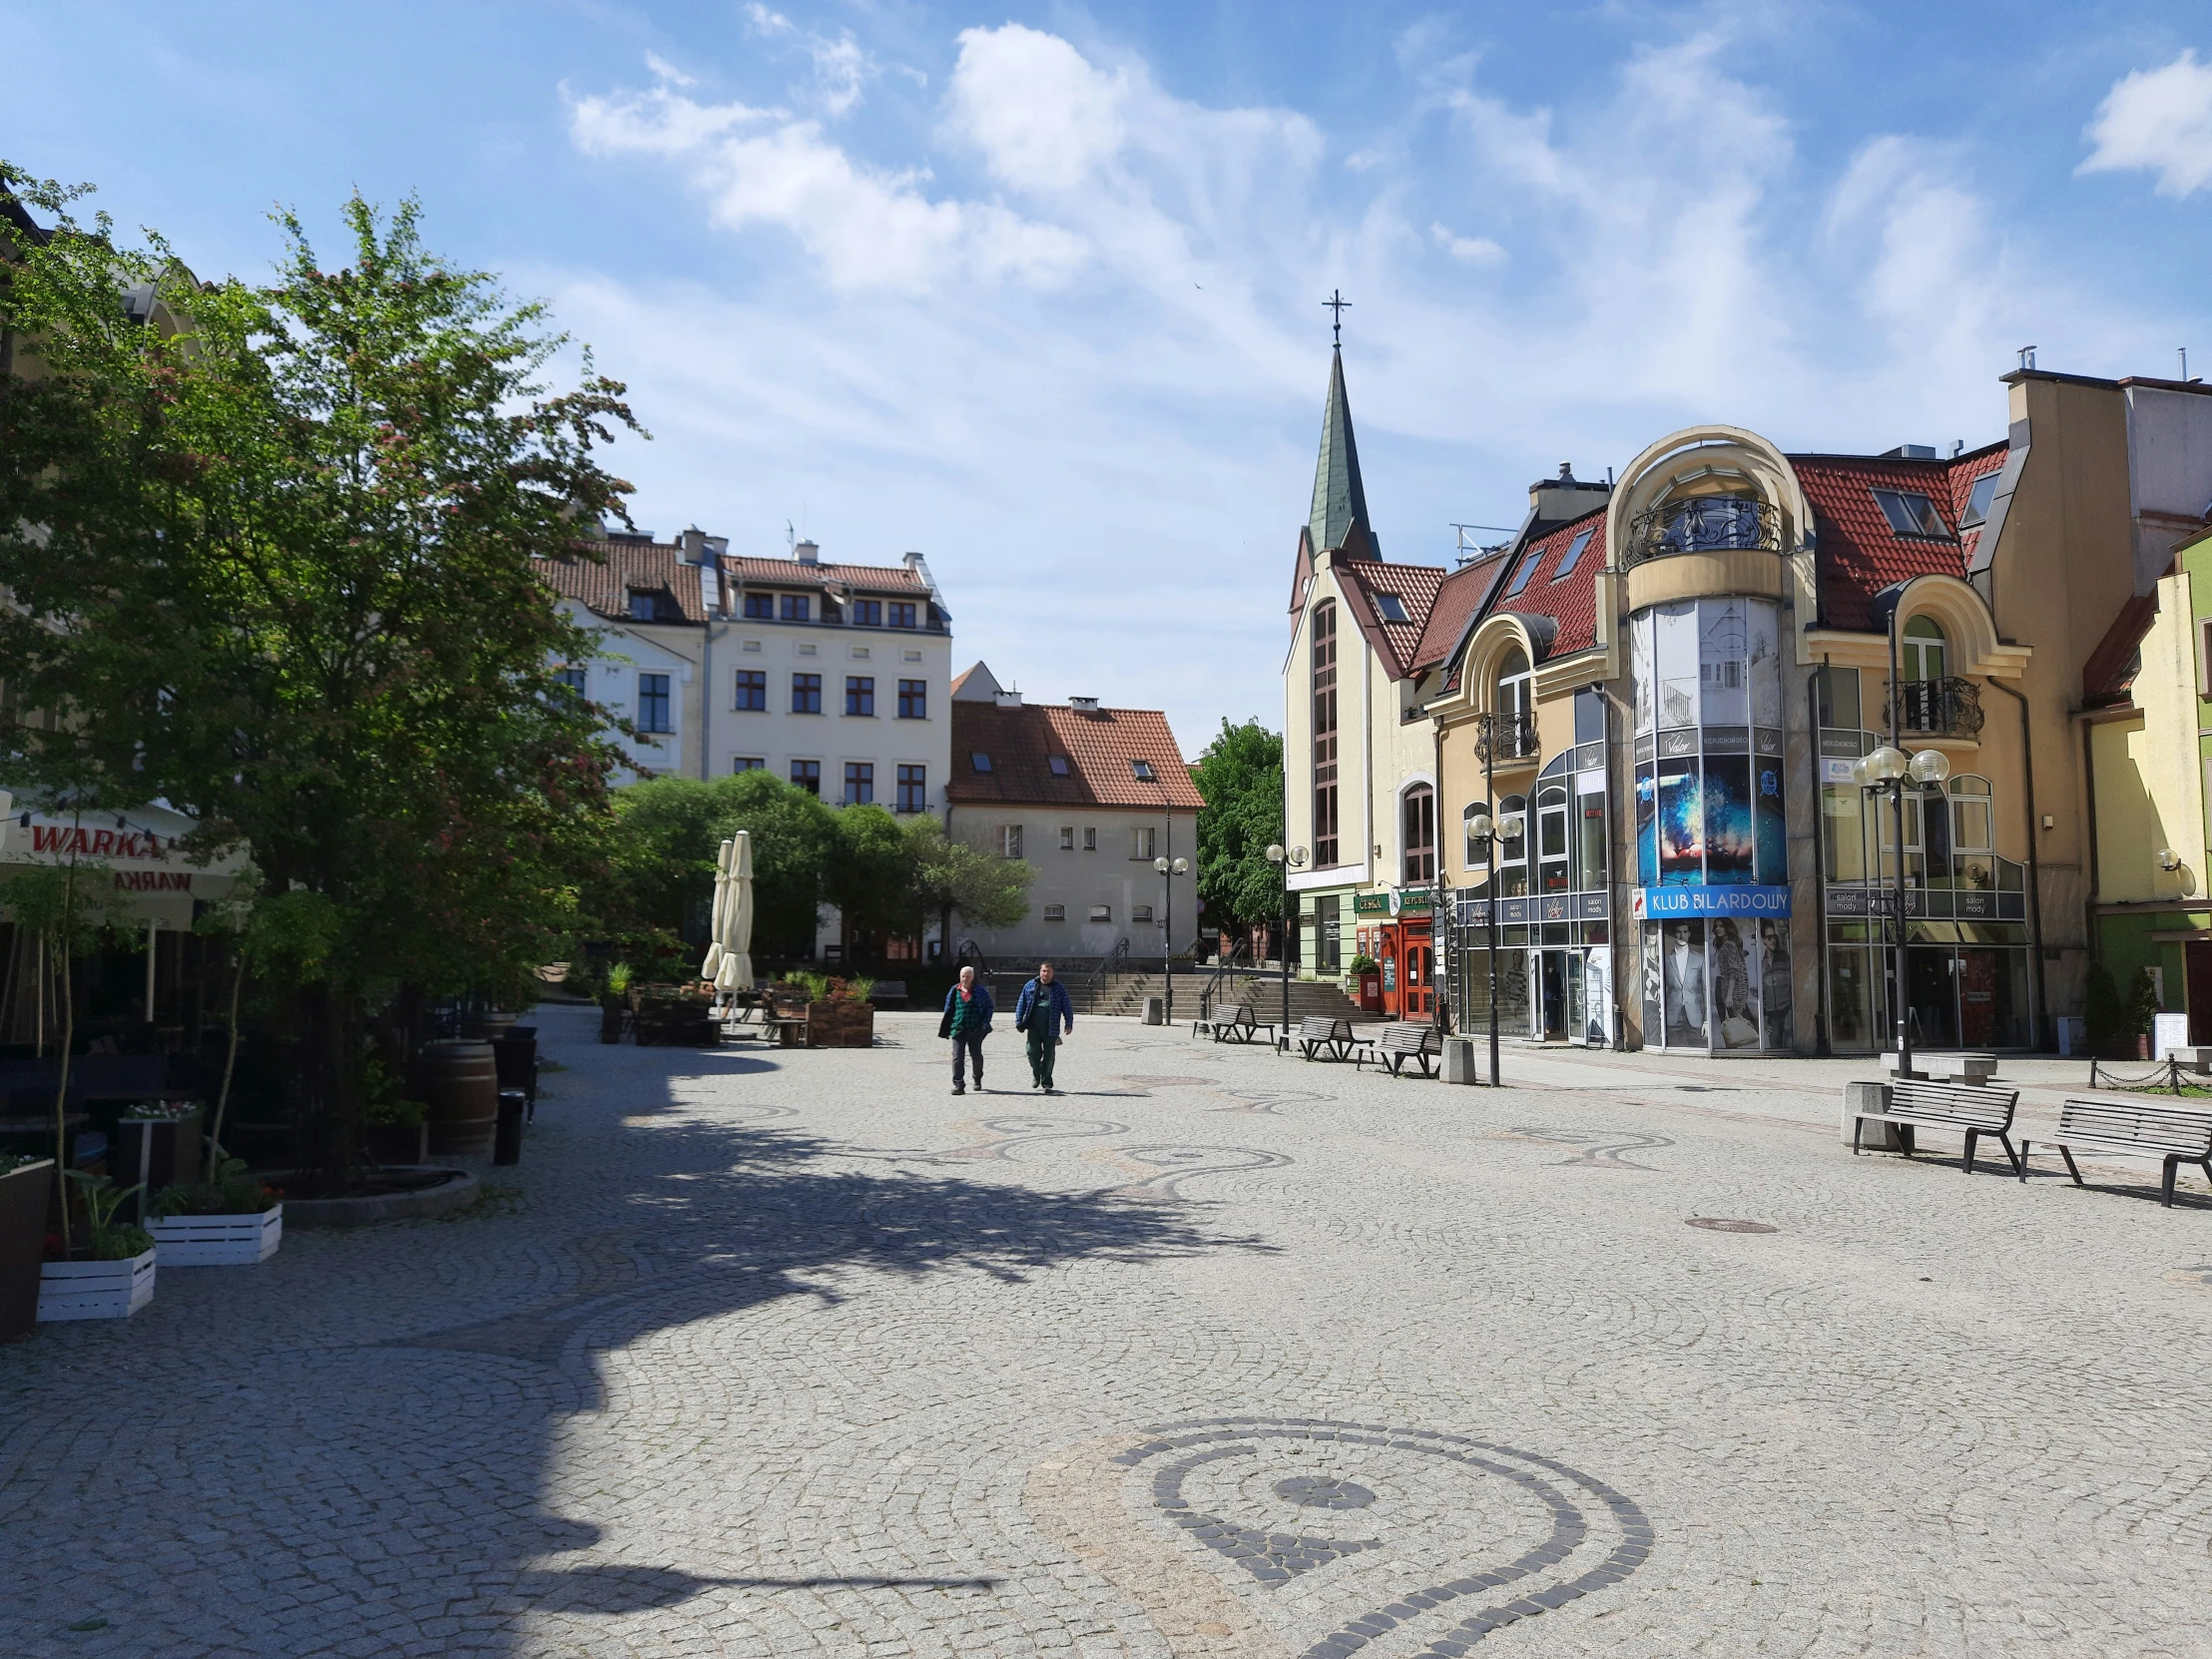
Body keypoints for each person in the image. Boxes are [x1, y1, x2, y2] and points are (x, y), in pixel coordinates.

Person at [1013, 961, 1075, 1094]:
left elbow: (1067, 1006)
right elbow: (1021, 1003)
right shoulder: (1030, 985)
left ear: (1053, 973)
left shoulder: (1059, 988)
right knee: (1032, 1052)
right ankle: (1036, 1074)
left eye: (1048, 971)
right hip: (1034, 1026)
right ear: (1039, 971)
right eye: (1043, 971)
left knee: (1049, 1056)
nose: (1045, 974)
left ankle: (1046, 1081)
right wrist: (1019, 1021)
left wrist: (1068, 1023)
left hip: (1051, 1027)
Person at [938, 965, 995, 1094]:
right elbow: (948, 1010)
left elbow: (989, 1006)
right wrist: (947, 1028)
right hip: (958, 1028)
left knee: (976, 1055)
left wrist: (985, 1023)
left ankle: (977, 1078)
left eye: (967, 976)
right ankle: (958, 1084)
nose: (965, 979)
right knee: (957, 1057)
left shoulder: (980, 991)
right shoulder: (954, 991)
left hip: (975, 1028)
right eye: (963, 976)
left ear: (972, 977)